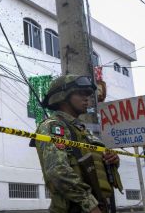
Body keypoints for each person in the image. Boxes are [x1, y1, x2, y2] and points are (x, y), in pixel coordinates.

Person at [35, 75, 121, 213]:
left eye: (88, 94)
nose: (87, 98)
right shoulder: (54, 126)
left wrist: (113, 160)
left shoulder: (84, 131)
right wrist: (90, 205)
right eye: (81, 93)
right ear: (63, 96)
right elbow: (57, 171)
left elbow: (97, 166)